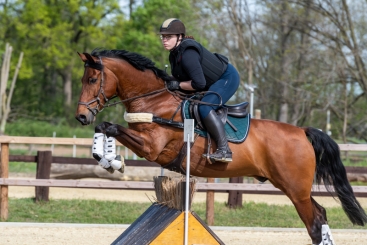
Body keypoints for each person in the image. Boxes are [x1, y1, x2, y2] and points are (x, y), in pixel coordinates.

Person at [159, 18, 240, 163]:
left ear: (180, 37)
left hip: (227, 78)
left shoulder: (187, 53)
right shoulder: (174, 53)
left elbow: (198, 83)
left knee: (204, 107)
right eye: (163, 37)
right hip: (212, 81)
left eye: (168, 37)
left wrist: (177, 85)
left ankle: (224, 150)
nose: (164, 40)